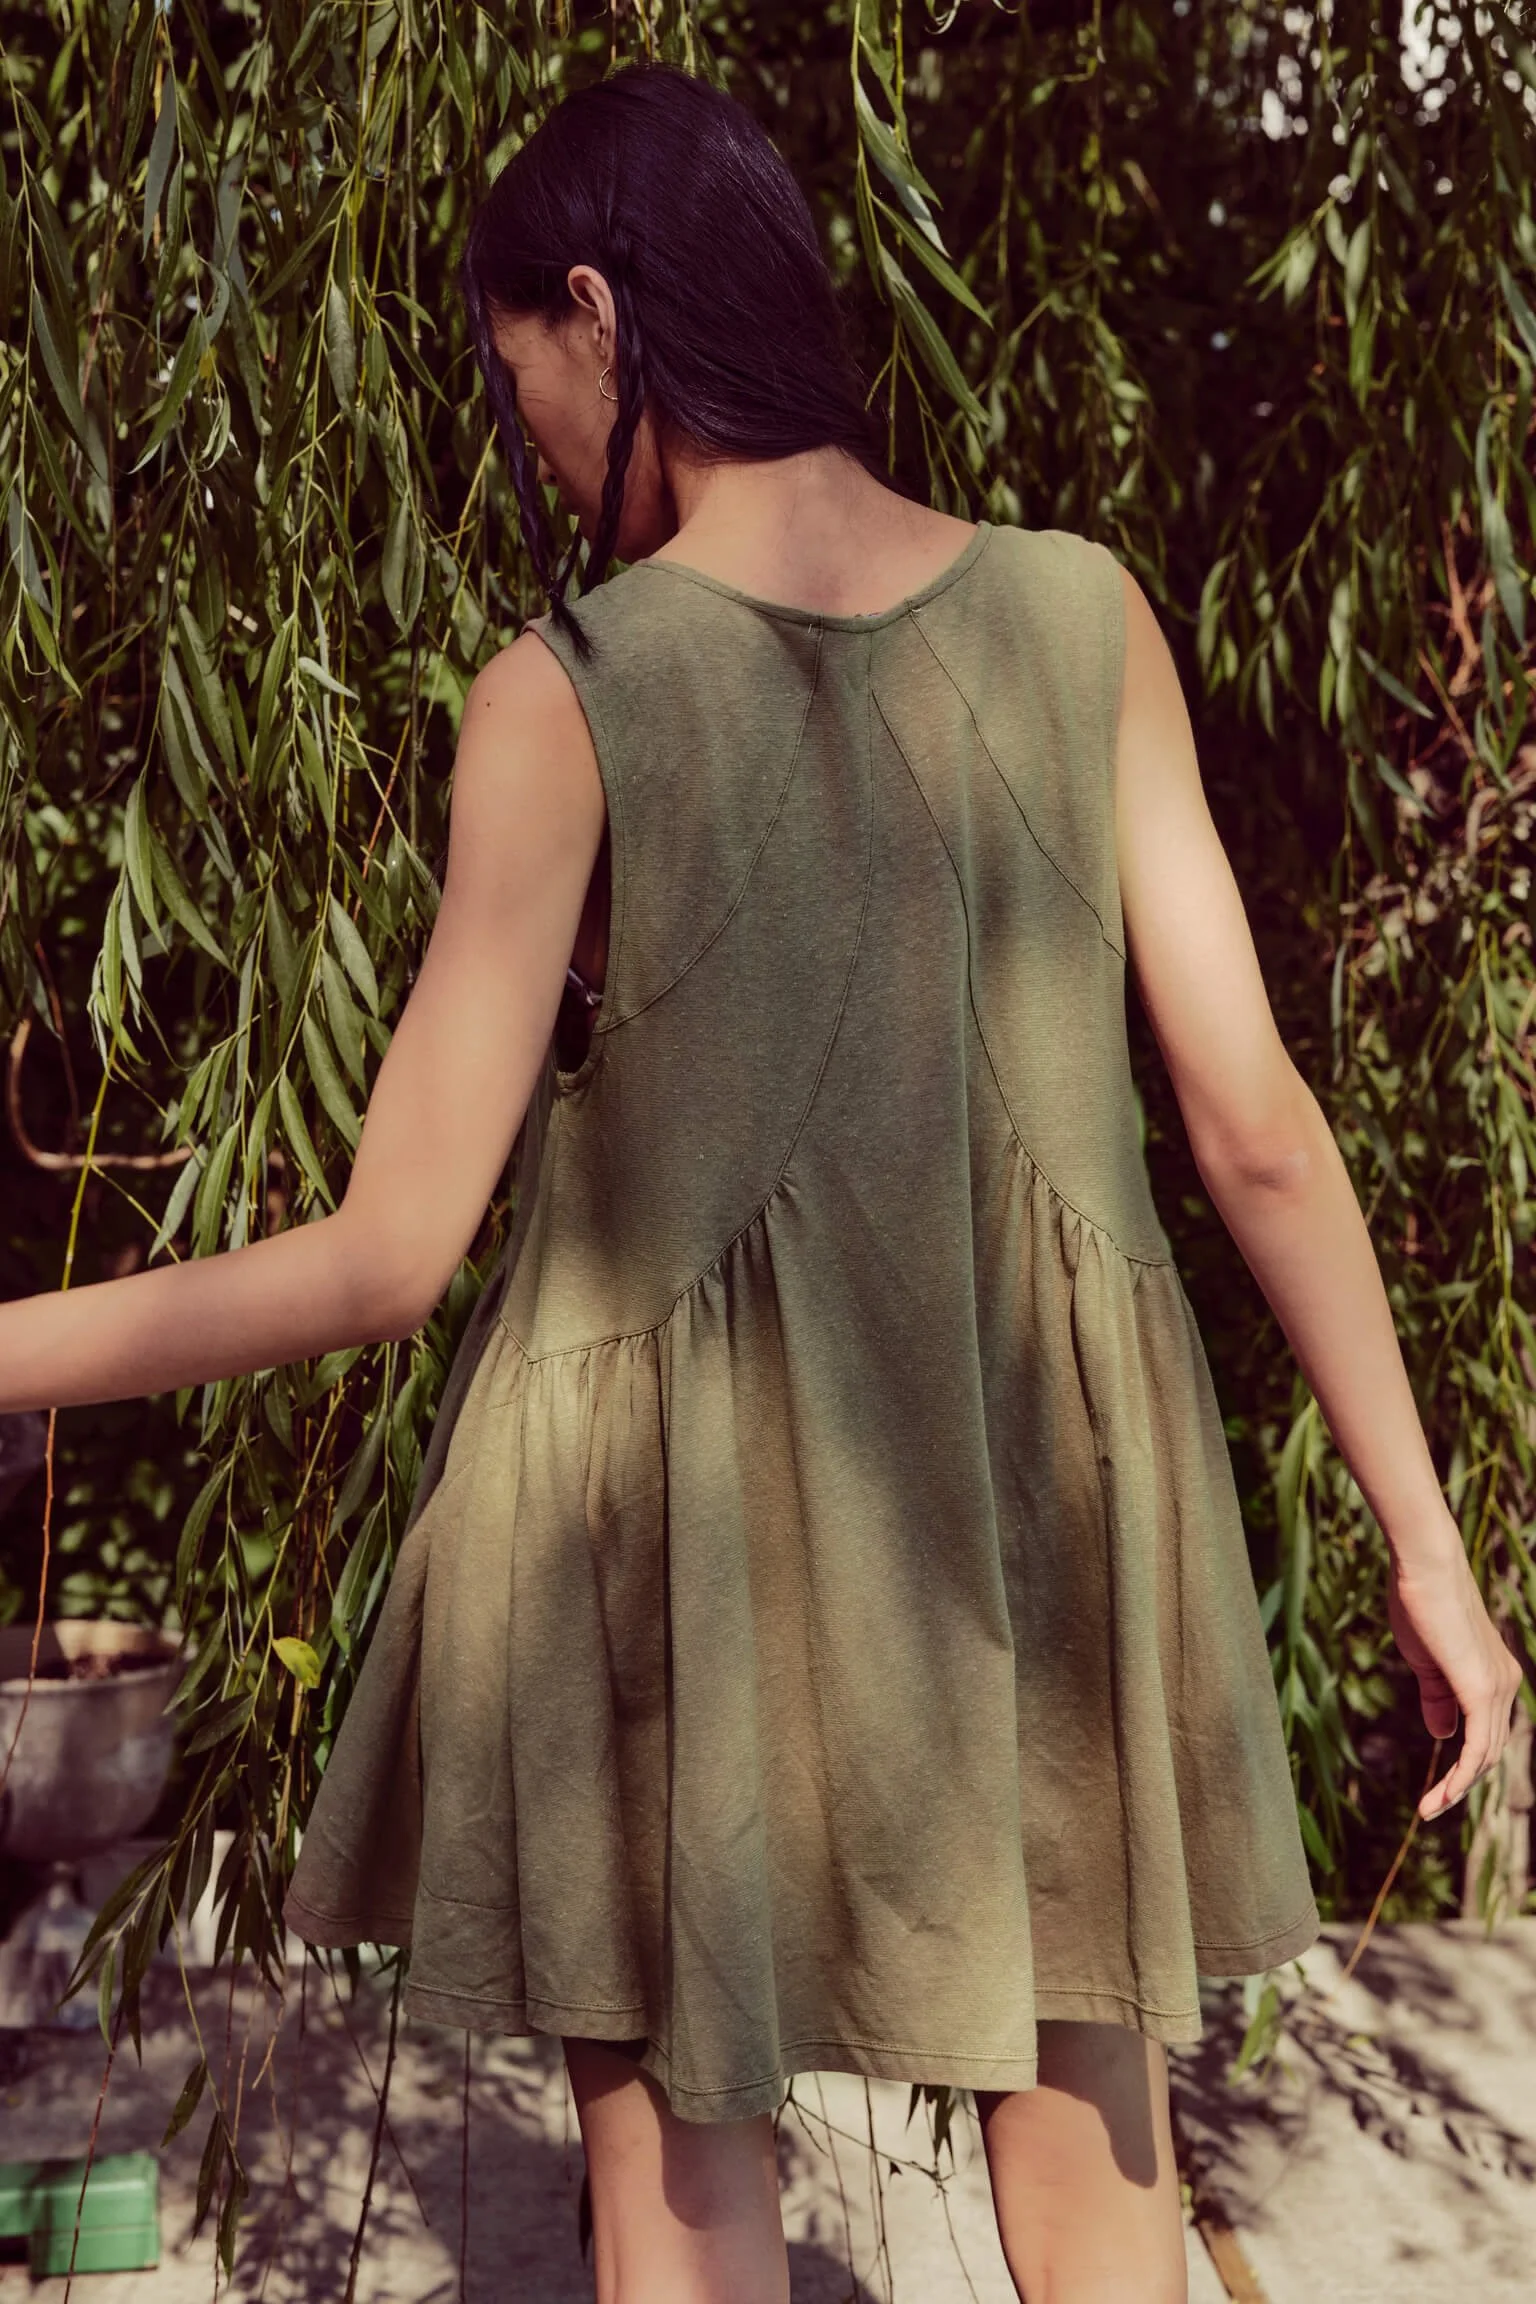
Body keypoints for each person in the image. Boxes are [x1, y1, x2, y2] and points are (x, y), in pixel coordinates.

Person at [1, 58, 1521, 2304]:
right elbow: (1257, 1128)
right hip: (1037, 1491)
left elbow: (388, 1253)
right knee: (1096, 2179)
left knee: (685, 2217)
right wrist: (1430, 1544)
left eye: (518, 384)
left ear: (599, 315)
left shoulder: (566, 697)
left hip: (663, 1519)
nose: (524, 451)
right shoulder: (1083, 617)